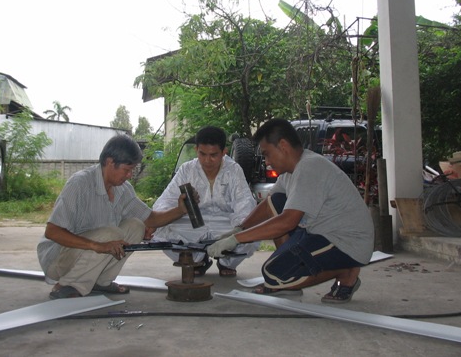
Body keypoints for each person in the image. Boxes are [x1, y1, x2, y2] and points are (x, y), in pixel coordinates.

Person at [207, 118, 374, 303]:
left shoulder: (309, 167)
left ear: (283, 146)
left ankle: (346, 272)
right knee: (276, 201)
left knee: (274, 275)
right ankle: (290, 270)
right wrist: (240, 228)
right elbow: (269, 205)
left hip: (346, 242)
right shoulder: (290, 172)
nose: (267, 162)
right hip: (319, 232)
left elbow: (288, 221)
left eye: (267, 154)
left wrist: (236, 239)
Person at [37, 134, 190, 300]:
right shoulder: (79, 184)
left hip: (87, 253)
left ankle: (101, 281)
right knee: (111, 234)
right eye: (127, 170)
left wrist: (180, 210)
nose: (130, 175)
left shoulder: (123, 189)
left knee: (136, 226)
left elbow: (150, 219)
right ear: (110, 162)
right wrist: (96, 245)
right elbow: (52, 231)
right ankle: (67, 285)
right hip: (58, 259)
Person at [150, 126, 260, 277]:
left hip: (225, 223)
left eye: (213, 155)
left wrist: (238, 232)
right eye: (202, 154)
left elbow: (244, 204)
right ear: (196, 150)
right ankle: (197, 260)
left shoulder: (234, 170)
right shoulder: (187, 170)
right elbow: (164, 202)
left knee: (252, 233)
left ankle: (226, 262)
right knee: (159, 232)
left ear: (224, 152)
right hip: (193, 224)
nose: (207, 160)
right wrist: (177, 210)